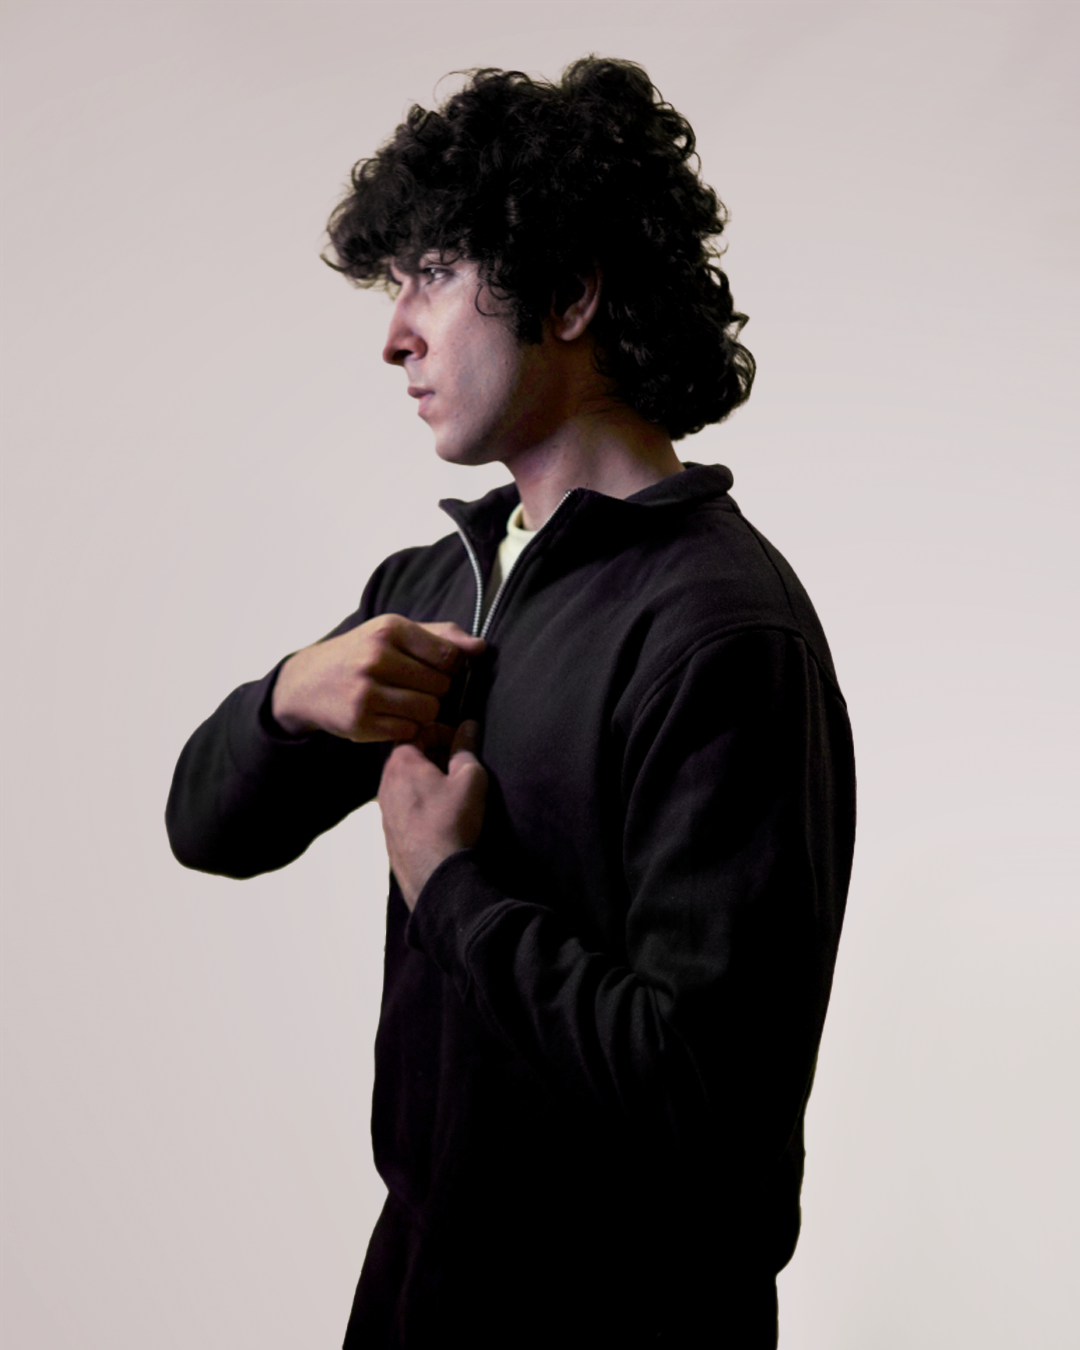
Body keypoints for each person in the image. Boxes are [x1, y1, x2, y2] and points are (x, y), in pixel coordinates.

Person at [166, 58, 856, 1349]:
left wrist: (453, 888)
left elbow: (710, 1105)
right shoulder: (439, 584)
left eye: (433, 272)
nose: (395, 335)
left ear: (571, 294)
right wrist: (289, 701)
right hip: (417, 1289)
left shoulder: (721, 631)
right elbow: (205, 829)